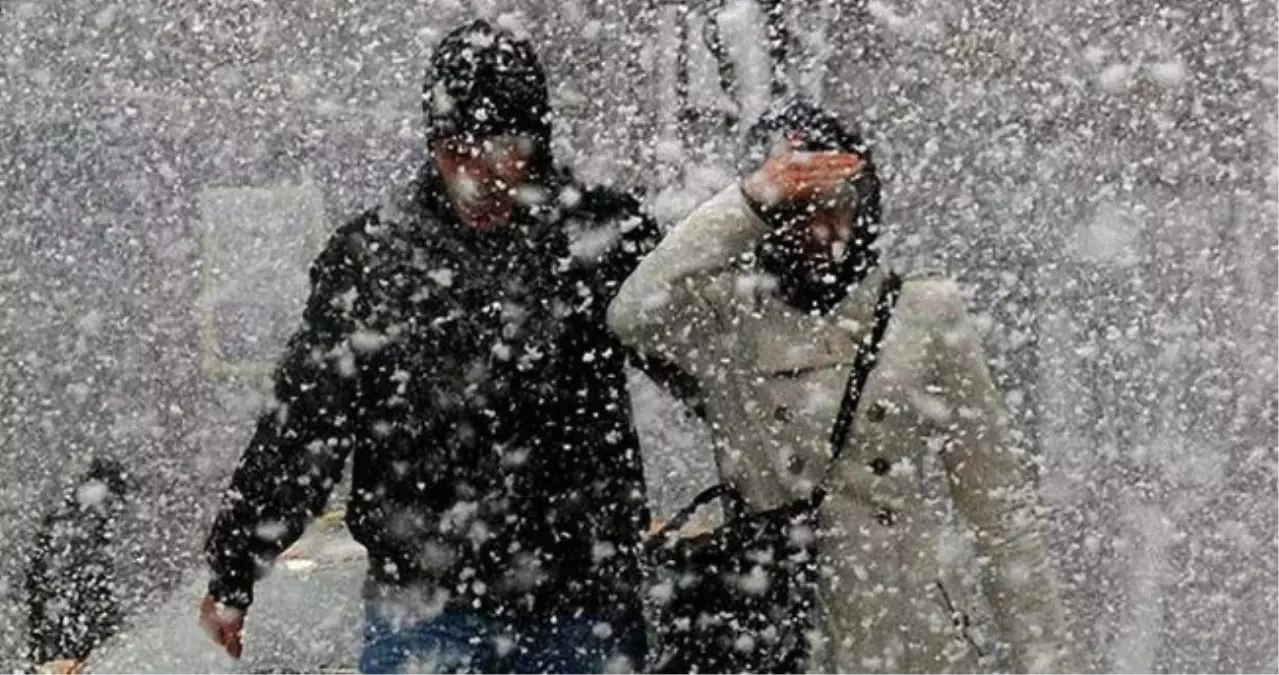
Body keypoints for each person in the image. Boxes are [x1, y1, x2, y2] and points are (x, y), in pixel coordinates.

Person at [200, 19, 659, 674]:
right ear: (431, 143)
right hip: (425, 607)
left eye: (497, 149)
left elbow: (702, 360)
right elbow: (306, 423)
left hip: (578, 603)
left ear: (535, 141)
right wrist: (234, 567)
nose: (474, 175)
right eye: (453, 150)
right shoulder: (373, 257)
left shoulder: (600, 238)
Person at [609, 98, 1071, 674]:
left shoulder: (924, 314)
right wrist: (747, 201)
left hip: (908, 638)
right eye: (798, 207)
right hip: (776, 631)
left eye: (840, 206)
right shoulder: (725, 317)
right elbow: (631, 313)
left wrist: (1047, 663)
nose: (824, 231)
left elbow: (1000, 515)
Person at [25, 457, 131, 672]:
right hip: (70, 637)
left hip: (55, 635)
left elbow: (40, 582)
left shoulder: (63, 519)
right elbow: (84, 585)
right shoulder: (84, 526)